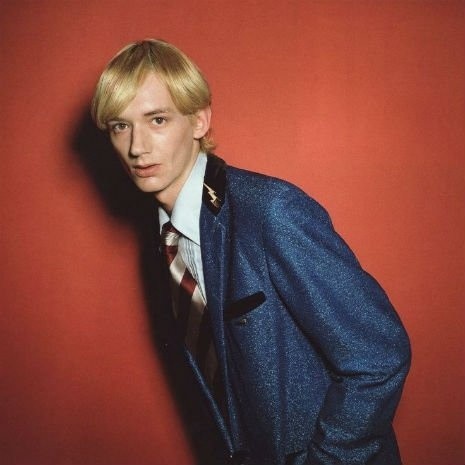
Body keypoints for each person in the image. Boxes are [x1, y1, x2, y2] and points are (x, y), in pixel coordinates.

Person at [91, 39, 411, 465]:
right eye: (120, 126)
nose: (137, 147)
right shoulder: (166, 242)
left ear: (199, 120)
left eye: (158, 120)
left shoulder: (271, 213)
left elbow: (379, 355)